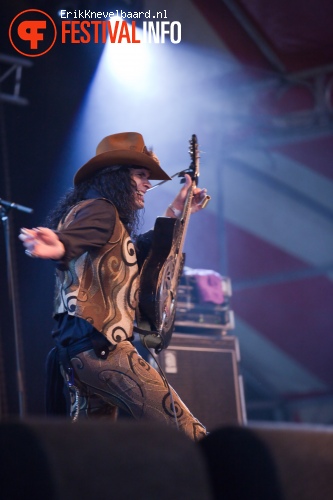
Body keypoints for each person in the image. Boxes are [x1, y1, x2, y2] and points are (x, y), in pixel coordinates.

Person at [19, 132, 208, 441]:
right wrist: (58, 243)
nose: (148, 184)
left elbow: (140, 253)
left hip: (81, 357)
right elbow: (77, 237)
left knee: (92, 456)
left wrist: (176, 211)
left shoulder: (100, 215)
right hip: (103, 352)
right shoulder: (100, 210)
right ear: (118, 176)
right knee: (188, 432)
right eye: (141, 175)